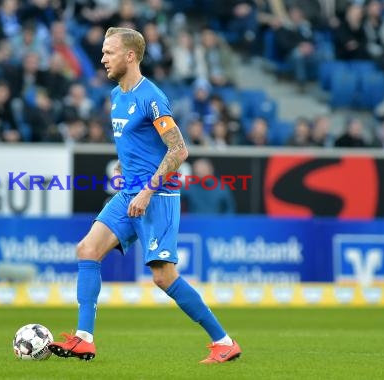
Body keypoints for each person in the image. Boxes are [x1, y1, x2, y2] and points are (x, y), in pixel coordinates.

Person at [48, 27, 241, 365]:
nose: (103, 58)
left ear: (130, 56)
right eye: (104, 52)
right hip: (130, 192)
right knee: (87, 248)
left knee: (163, 277)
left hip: (158, 196)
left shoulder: (151, 97)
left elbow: (179, 150)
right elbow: (135, 146)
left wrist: (148, 191)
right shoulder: (115, 96)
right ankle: (84, 339)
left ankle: (224, 341)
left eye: (109, 52)